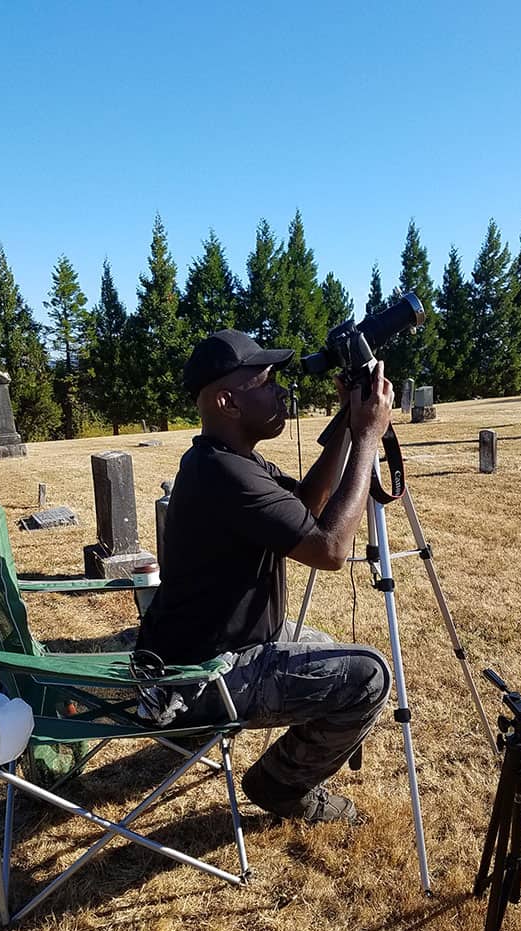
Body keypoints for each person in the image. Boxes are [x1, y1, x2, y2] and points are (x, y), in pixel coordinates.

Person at [137, 328, 395, 824]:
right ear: (228, 401)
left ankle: (291, 768)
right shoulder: (226, 475)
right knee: (370, 675)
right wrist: (367, 437)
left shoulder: (228, 462)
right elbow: (330, 549)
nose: (280, 391)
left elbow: (303, 509)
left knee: (333, 650)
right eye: (267, 381)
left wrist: (345, 424)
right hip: (198, 680)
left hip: (205, 654)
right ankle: (279, 786)